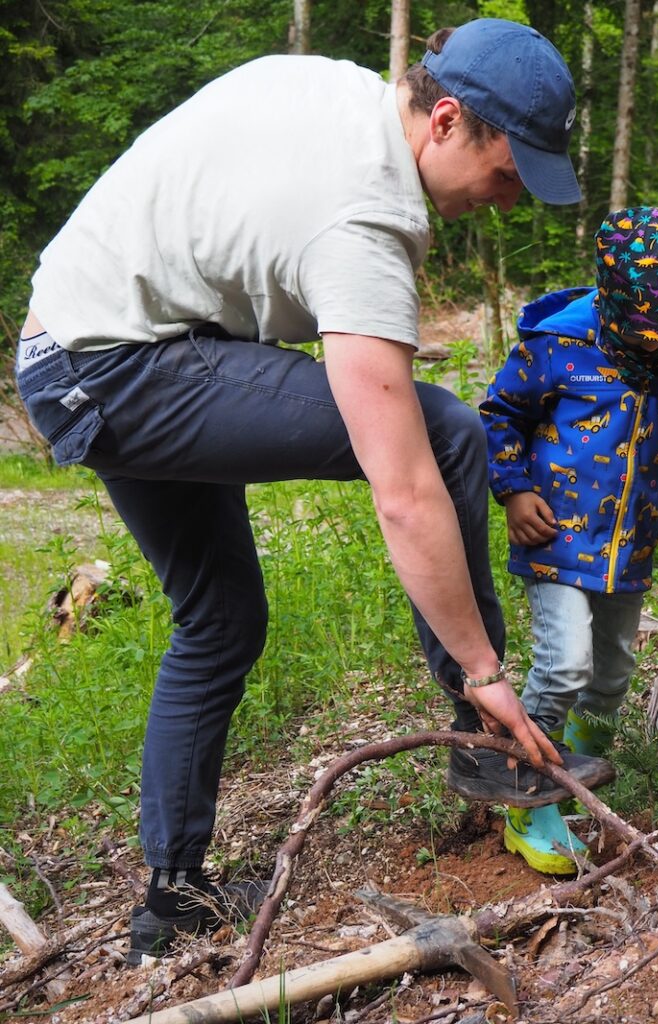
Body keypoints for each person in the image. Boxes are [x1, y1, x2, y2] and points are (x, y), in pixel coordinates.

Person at [16, 19, 614, 962]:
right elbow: (407, 487)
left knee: (218, 621)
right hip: (120, 366)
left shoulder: (340, 94)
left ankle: (171, 900)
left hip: (81, 343)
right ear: (447, 121)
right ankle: (485, 742)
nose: (506, 202)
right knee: (449, 435)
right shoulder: (366, 221)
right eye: (507, 174)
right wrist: (486, 672)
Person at [481, 206, 658, 874]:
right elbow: (500, 414)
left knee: (615, 671)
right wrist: (511, 489)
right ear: (613, 300)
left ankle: (576, 778)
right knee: (563, 663)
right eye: (640, 334)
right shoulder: (557, 346)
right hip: (556, 539)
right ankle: (526, 796)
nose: (653, 347)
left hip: (630, 547)